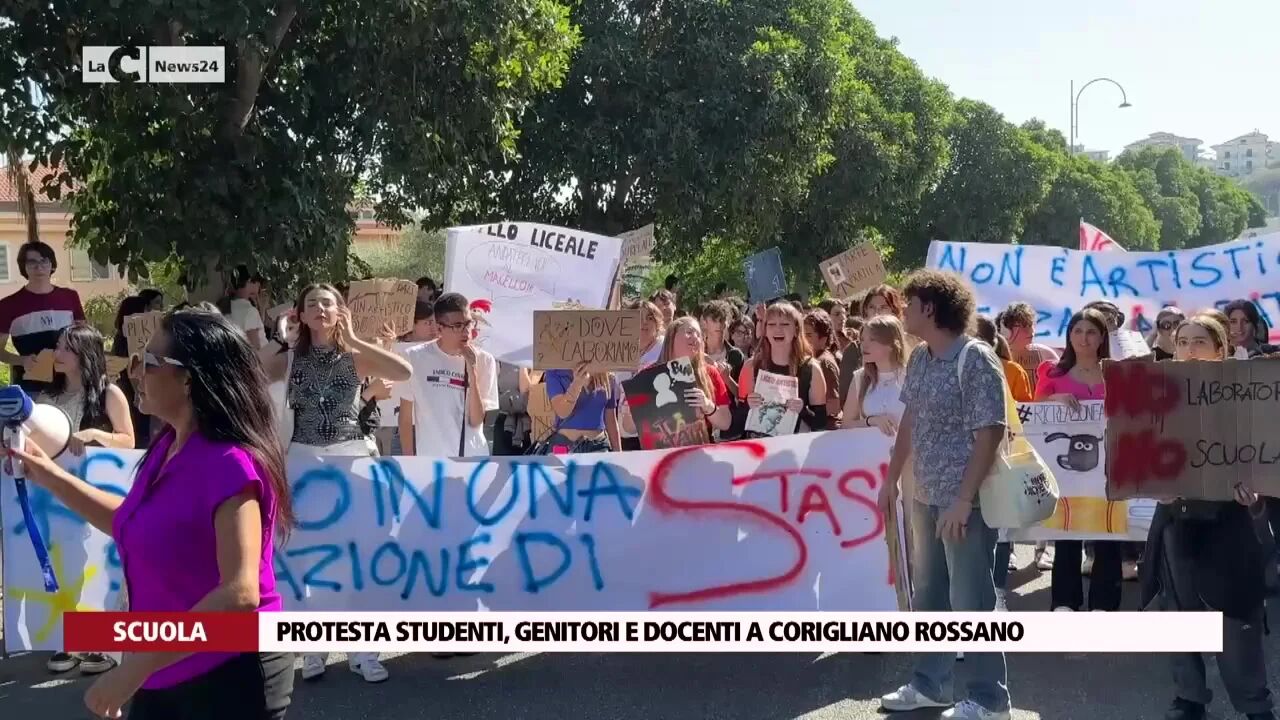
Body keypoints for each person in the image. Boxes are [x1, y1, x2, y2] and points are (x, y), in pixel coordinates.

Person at [11, 308, 294, 719]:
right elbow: (130, 523)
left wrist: (133, 670)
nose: (135, 371)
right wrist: (48, 473)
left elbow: (240, 593)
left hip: (230, 673)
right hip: (167, 665)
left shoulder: (229, 463)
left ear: (189, 379)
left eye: (150, 361)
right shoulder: (168, 446)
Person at [261, 284, 411, 684]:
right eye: (312, 304)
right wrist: (281, 338)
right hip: (303, 460)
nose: (321, 309)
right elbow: (252, 372)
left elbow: (403, 372)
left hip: (351, 459)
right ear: (302, 314)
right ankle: (314, 648)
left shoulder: (354, 356)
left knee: (359, 555)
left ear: (340, 310)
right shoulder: (289, 359)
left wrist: (358, 338)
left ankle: (365, 651)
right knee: (309, 556)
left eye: (328, 303)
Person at [878, 270, 1010, 720]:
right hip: (926, 496)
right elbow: (910, 421)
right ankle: (929, 684)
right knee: (930, 595)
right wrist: (892, 477)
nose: (902, 311)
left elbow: (990, 432)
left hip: (963, 502)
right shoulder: (919, 360)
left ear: (929, 308)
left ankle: (989, 699)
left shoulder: (976, 359)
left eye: (908, 303)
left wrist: (961, 499)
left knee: (972, 600)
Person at [1142, 313, 1275, 720]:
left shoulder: (1249, 400)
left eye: (1200, 341)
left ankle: (1255, 706)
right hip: (1177, 523)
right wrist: (1155, 487)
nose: (1189, 349)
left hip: (1230, 527)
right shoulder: (1157, 399)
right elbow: (1141, 458)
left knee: (1235, 622)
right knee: (1179, 614)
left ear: (1221, 350)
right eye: (1182, 341)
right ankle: (1189, 698)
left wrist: (1255, 498)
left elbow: (1266, 461)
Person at [39, 322, 137, 676]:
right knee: (62, 564)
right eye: (57, 346)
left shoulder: (110, 394)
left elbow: (128, 440)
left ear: (85, 354)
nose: (58, 354)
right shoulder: (46, 399)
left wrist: (97, 434)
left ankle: (103, 642)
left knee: (101, 564)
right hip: (55, 497)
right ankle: (66, 637)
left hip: (101, 493)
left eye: (66, 347)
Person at [1033, 308, 1121, 613]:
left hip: (1110, 467)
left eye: (1091, 332)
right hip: (1065, 469)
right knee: (1067, 532)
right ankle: (1065, 601)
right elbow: (1034, 414)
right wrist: (1054, 399)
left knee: (1109, 531)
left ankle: (1105, 603)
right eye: (1078, 331)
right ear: (1069, 336)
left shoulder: (1116, 373)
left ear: (1102, 338)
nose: (1084, 338)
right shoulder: (1053, 374)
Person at [396, 292, 498, 459]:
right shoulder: (413, 357)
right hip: (431, 461)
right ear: (439, 327)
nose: (466, 332)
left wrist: (472, 371)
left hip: (472, 459)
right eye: (457, 326)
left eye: (468, 323)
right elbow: (405, 417)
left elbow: (477, 420)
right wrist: (410, 461)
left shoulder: (485, 360)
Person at [974, 315, 1031, 597]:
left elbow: (1027, 414)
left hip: (1001, 458)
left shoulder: (1011, 371)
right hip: (963, 464)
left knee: (1000, 526)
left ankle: (997, 593)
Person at [0, 241, 86, 392]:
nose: (39, 267)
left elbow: (85, 339)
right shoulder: (8, 305)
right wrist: (21, 360)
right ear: (23, 267)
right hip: (30, 387)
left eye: (44, 261)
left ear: (52, 265)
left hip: (69, 384)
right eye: (32, 262)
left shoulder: (70, 297)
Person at [738, 302, 828, 434]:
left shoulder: (812, 369)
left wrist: (803, 410)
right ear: (765, 330)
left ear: (796, 330)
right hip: (760, 448)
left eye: (785, 324)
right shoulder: (751, 366)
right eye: (772, 324)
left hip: (795, 448)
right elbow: (737, 421)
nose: (778, 330)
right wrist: (747, 405)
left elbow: (820, 425)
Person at [657, 316, 733, 437]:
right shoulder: (650, 373)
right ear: (672, 337)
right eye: (689, 332)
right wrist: (629, 411)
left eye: (699, 335)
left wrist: (707, 406)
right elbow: (628, 427)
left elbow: (726, 423)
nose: (695, 337)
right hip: (662, 452)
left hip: (698, 450)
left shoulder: (710, 373)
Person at [618, 301, 666, 451]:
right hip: (626, 434)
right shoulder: (620, 351)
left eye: (650, 318)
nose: (644, 322)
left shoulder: (665, 348)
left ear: (658, 323)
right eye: (639, 317)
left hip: (658, 432)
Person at [545, 362, 621, 453]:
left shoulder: (606, 373)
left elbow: (611, 419)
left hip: (598, 447)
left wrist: (619, 454)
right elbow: (562, 412)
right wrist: (577, 384)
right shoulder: (554, 371)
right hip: (565, 446)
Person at [111, 295, 156, 449]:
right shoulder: (128, 339)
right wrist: (138, 390)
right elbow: (131, 366)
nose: (151, 313)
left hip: (132, 392)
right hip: (132, 392)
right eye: (147, 309)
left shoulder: (121, 337)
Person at [998, 302, 1059, 394]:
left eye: (1032, 325)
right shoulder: (995, 357)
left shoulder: (1046, 355)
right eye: (1025, 327)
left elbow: (1062, 386)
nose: (1032, 331)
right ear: (1007, 331)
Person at [803, 309, 843, 429]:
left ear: (823, 338)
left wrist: (804, 411)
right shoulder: (812, 360)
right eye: (802, 335)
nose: (803, 339)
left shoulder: (823, 363)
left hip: (827, 429)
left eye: (809, 335)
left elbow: (834, 405)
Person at [217, 265, 265, 349]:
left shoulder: (224, 307)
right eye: (258, 285)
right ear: (250, 281)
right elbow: (255, 349)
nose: (258, 290)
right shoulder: (250, 311)